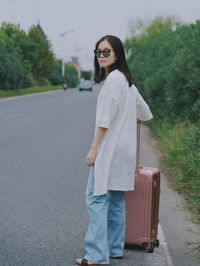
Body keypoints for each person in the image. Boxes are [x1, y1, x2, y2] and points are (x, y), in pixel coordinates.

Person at [76, 35, 153, 266]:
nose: (101, 56)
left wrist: (93, 150)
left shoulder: (112, 81)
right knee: (117, 198)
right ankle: (115, 247)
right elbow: (146, 113)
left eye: (106, 52)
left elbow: (104, 121)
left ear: (117, 54)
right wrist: (128, 120)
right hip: (125, 151)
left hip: (110, 150)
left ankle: (97, 255)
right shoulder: (128, 83)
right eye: (98, 52)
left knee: (96, 198)